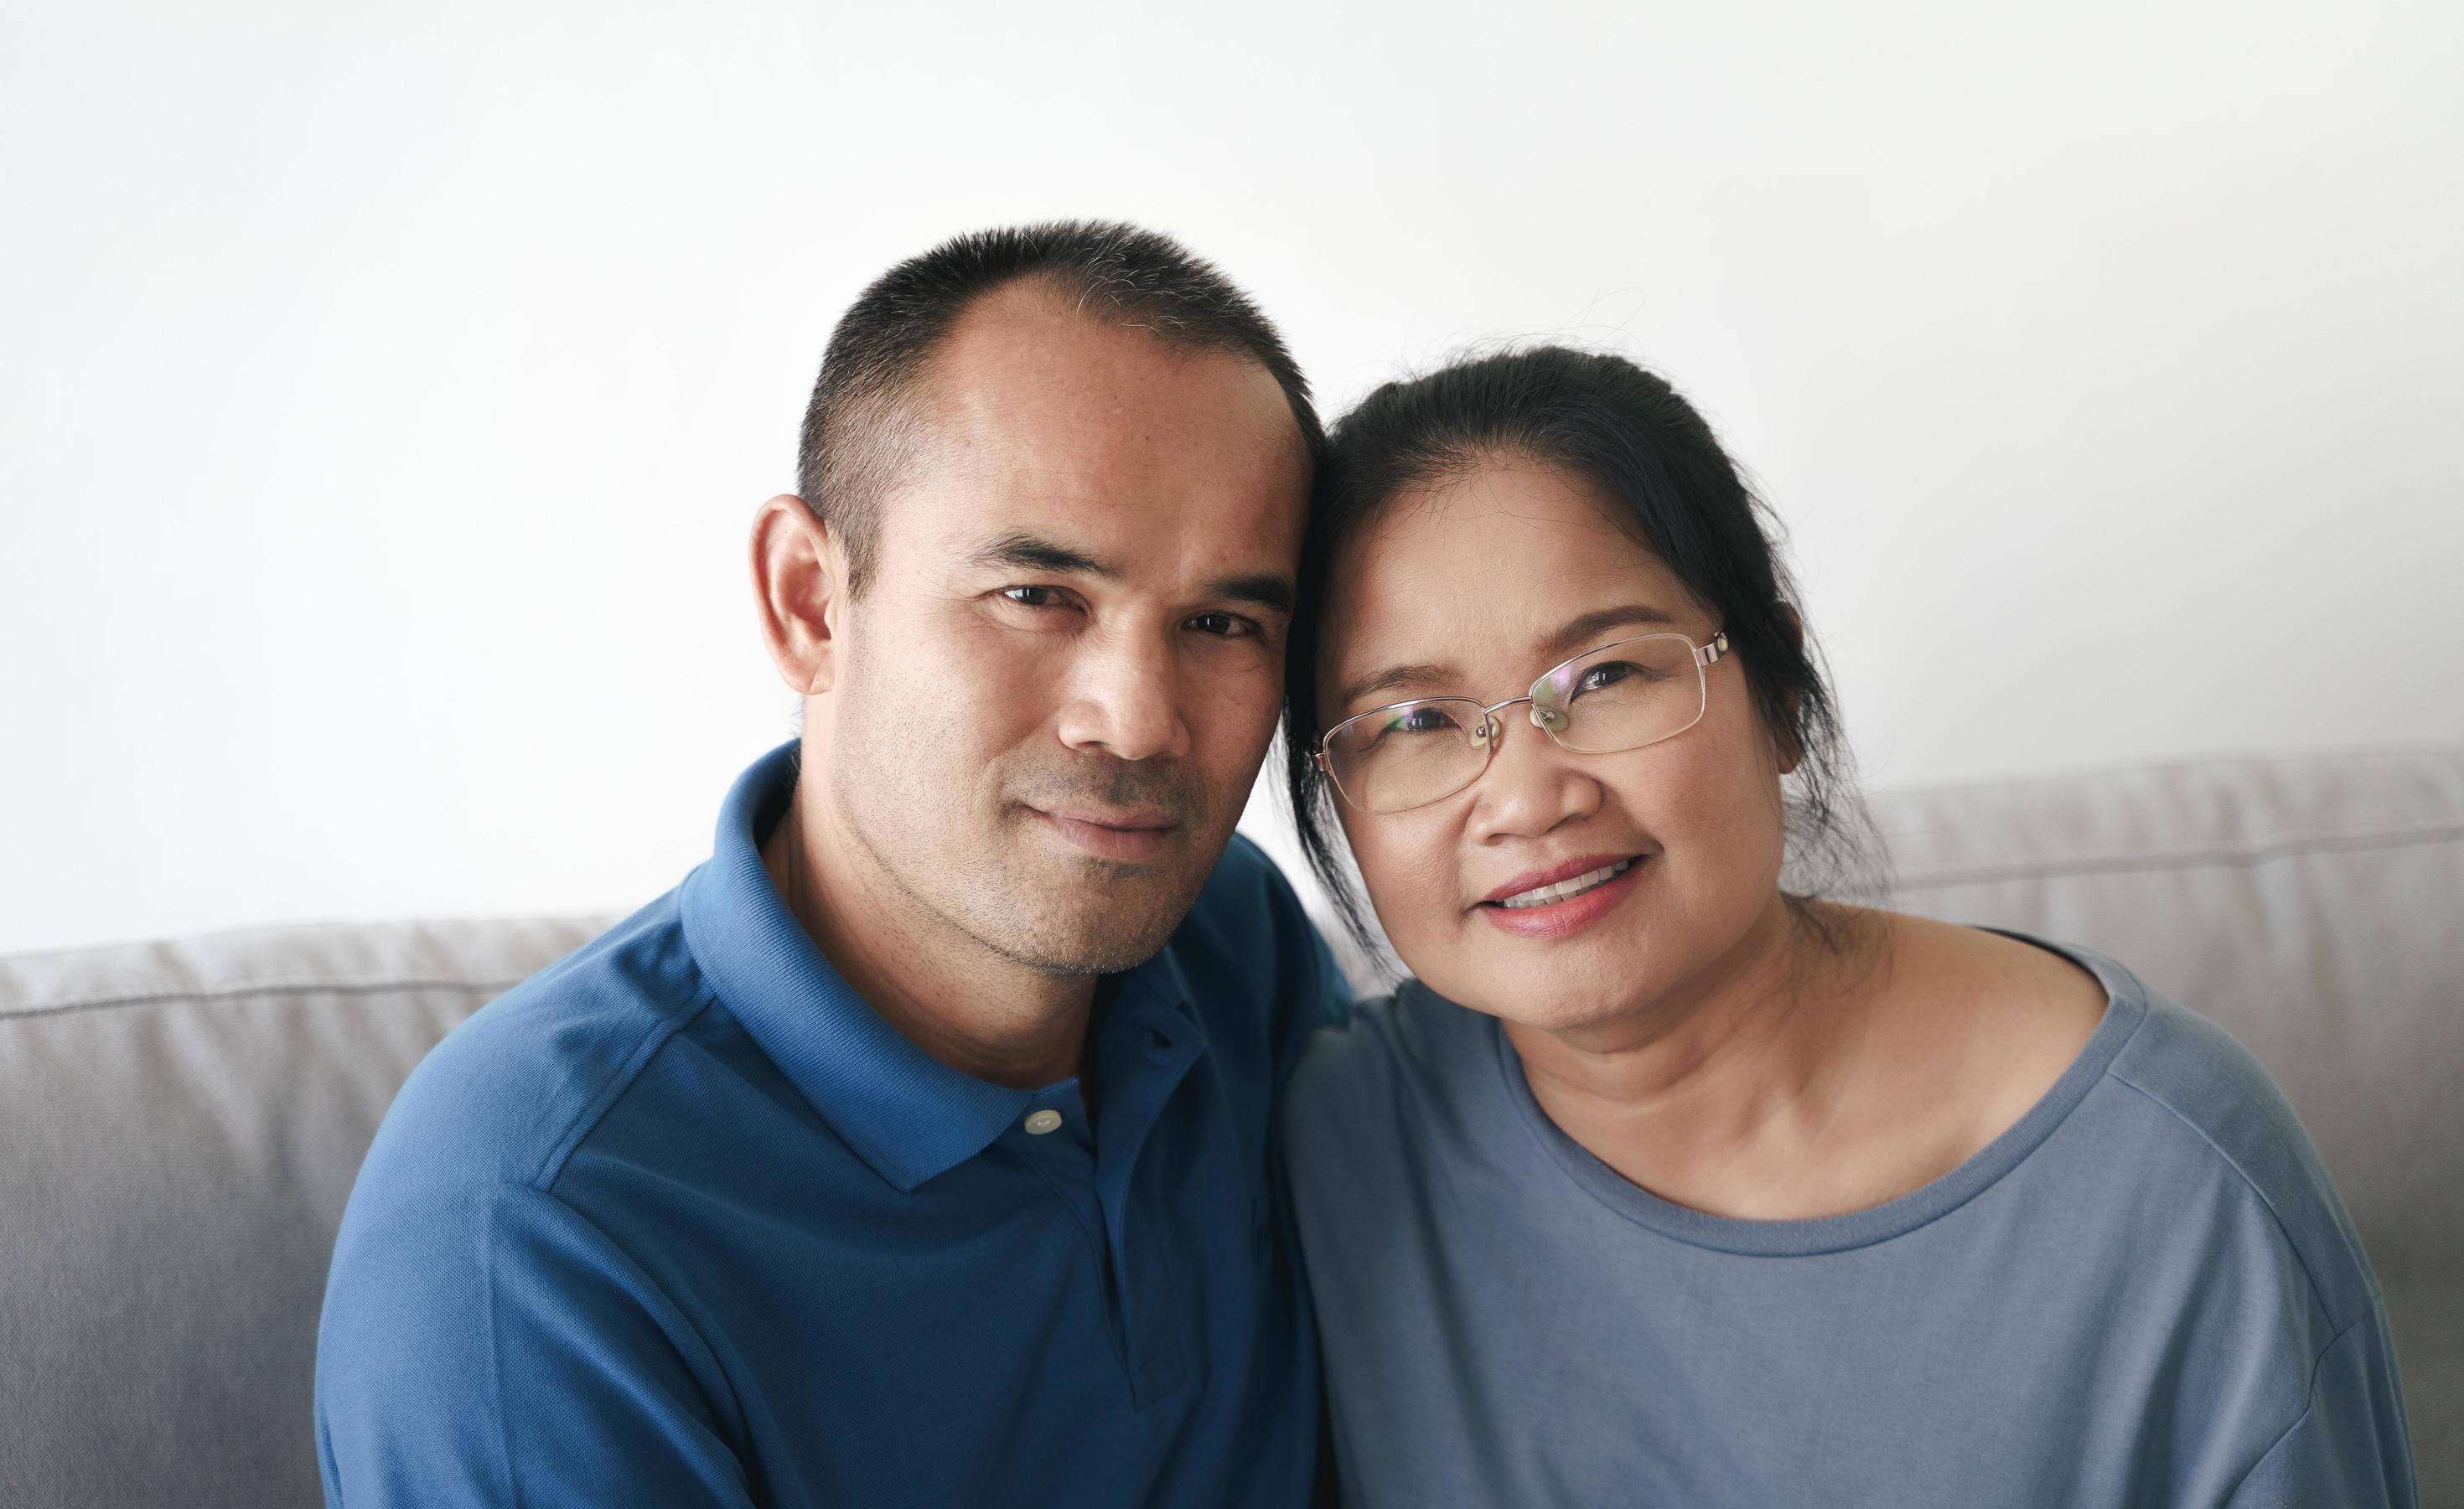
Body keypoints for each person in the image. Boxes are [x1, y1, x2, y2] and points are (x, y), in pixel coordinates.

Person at [315, 222, 1349, 1506]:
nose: (1138, 721)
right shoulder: (527, 1231)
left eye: (1219, 622)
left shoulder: (1235, 948)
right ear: (811, 601)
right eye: (1037, 596)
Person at [1278, 346, 2415, 1507]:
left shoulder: (2174, 1182)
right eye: (1413, 718)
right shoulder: (1326, 1141)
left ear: (1780, 693)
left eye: (1610, 673)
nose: (1525, 798)